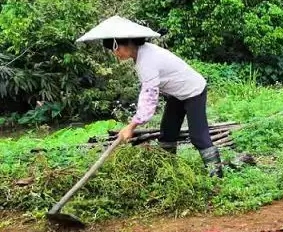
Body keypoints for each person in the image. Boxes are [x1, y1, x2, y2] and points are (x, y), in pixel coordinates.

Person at [76, 16, 223, 177]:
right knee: (167, 134)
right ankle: (168, 173)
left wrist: (130, 127)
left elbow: (149, 100)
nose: (115, 54)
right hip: (178, 94)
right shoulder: (142, 53)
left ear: (125, 43)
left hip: (193, 91)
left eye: (115, 48)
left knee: (198, 136)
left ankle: (216, 177)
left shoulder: (147, 61)